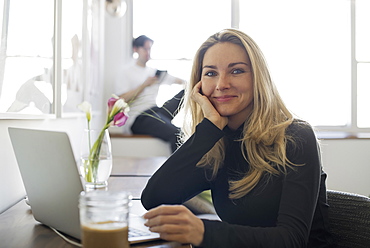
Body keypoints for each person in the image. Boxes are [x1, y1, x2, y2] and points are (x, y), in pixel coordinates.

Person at [141, 29, 335, 247]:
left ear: (258, 79)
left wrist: (203, 232)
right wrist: (208, 130)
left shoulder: (295, 136)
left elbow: (292, 240)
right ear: (199, 86)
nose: (221, 84)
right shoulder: (217, 143)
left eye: (237, 71)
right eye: (211, 73)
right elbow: (153, 198)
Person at [115, 35, 185, 152]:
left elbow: (178, 80)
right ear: (136, 49)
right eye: (145, 49)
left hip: (157, 112)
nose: (148, 52)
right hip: (139, 118)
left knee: (187, 91)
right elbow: (121, 100)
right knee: (177, 133)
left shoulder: (154, 72)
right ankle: (179, 169)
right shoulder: (126, 72)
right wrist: (144, 85)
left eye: (150, 49)